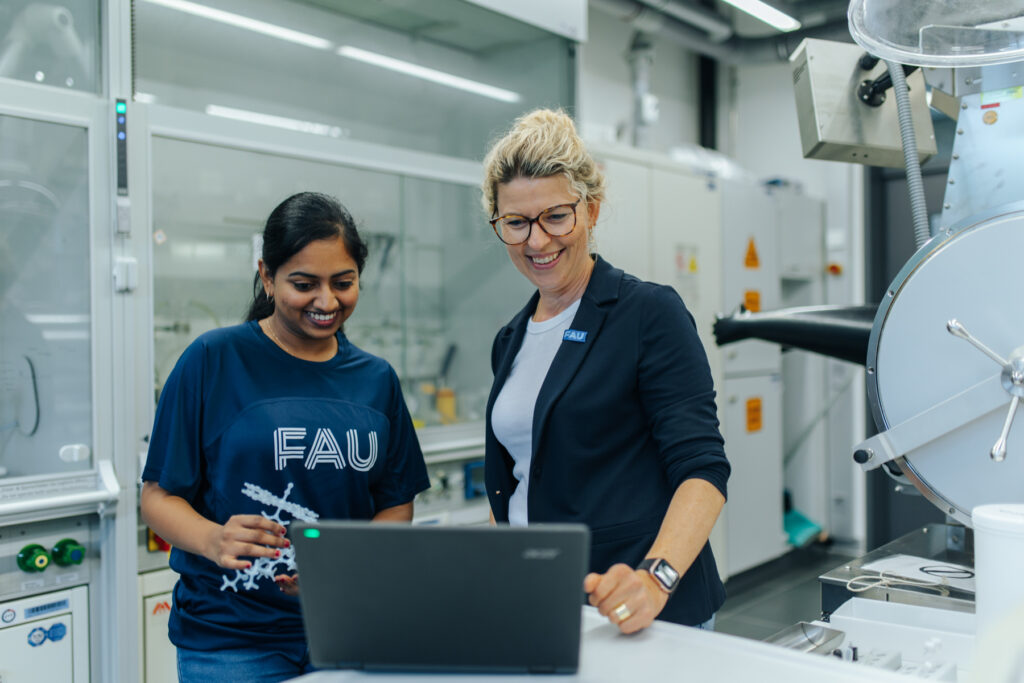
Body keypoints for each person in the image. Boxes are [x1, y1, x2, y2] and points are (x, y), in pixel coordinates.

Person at [140, 192, 430, 682]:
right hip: (231, 639)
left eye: (344, 282)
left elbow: (395, 502)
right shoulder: (213, 359)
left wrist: (344, 568)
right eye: (304, 283)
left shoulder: (375, 379)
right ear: (267, 276)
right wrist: (213, 539)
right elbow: (157, 497)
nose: (326, 301)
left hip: (347, 630)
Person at [482, 109, 730, 634]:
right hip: (541, 603)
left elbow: (702, 471)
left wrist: (654, 577)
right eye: (516, 222)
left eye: (556, 216)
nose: (537, 241)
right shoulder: (510, 339)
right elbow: (515, 481)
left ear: (590, 211)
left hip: (641, 609)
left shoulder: (645, 313)